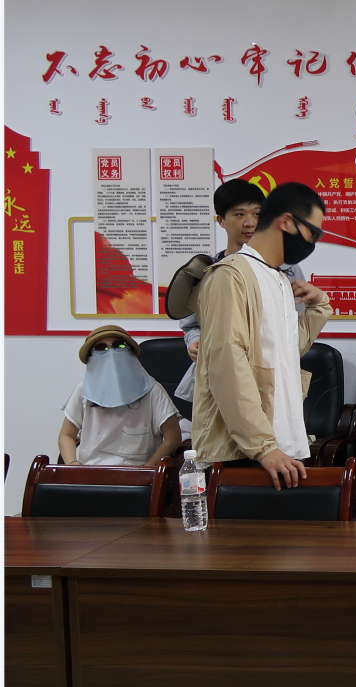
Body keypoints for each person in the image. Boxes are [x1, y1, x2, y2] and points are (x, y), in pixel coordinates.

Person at [192, 182, 332, 490]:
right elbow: (227, 364)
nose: (312, 241)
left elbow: (286, 351)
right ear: (287, 222)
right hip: (245, 452)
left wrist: (319, 306)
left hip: (281, 446)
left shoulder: (279, 277)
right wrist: (263, 447)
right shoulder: (231, 276)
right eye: (312, 232)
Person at [174, 180, 305, 411]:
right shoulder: (207, 271)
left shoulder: (286, 270)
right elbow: (192, 325)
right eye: (239, 214)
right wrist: (194, 342)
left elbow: (299, 326)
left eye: (257, 214)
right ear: (221, 220)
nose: (250, 222)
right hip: (219, 378)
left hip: (272, 378)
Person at [58, 325, 181, 465]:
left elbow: (173, 437)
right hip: (89, 470)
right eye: (101, 348)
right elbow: (66, 435)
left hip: (135, 472)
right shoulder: (83, 391)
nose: (111, 353)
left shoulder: (153, 391)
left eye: (119, 345)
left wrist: (148, 468)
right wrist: (72, 463)